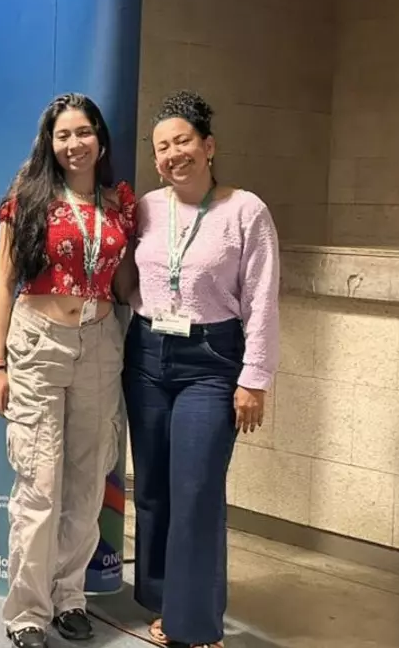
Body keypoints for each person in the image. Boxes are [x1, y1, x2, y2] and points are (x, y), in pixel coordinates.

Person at [124, 90, 278, 648]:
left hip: (211, 360)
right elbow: (128, 280)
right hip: (145, 353)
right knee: (155, 489)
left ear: (208, 146)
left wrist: (254, 378)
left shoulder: (245, 210)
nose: (172, 154)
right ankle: (165, 600)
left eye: (183, 141)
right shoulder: (146, 207)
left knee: (197, 486)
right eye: (162, 146)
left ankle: (197, 623)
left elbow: (262, 299)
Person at [0, 92, 136, 648]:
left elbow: (122, 283)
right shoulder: (27, 198)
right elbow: (3, 286)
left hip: (100, 344)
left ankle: (69, 596)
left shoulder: (119, 204)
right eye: (62, 135)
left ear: (100, 138)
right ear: (50, 142)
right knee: (40, 483)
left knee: (87, 480)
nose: (74, 144)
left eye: (83, 133)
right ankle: (28, 611)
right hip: (39, 343)